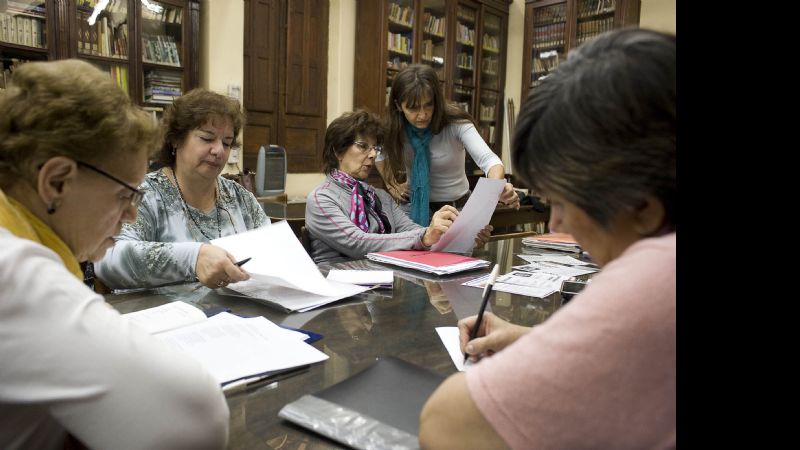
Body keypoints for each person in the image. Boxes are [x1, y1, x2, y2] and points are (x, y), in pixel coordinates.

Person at [419, 29, 676, 449]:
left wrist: (531, 360)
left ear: (642, 206)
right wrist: (534, 342)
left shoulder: (656, 273)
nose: (556, 220)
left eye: (561, 200)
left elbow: (446, 423)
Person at [0, 59, 229, 449]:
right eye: (125, 194)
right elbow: (198, 419)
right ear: (56, 181)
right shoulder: (15, 273)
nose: (132, 214)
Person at [95, 88, 270, 289]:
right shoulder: (144, 195)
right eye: (207, 138)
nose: (219, 150)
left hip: (239, 315)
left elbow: (270, 250)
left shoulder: (240, 198)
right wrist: (193, 258)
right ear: (176, 139)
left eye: (227, 143)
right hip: (163, 317)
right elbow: (108, 258)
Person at [305, 109, 492, 263]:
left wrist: (463, 237)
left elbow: (413, 231)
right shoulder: (321, 198)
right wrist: (425, 236)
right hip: (338, 292)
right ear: (338, 150)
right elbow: (357, 242)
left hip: (382, 286)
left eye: (375, 148)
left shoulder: (379, 196)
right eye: (363, 146)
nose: (372, 155)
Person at [378, 63, 520, 226]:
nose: (423, 114)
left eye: (428, 104)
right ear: (398, 105)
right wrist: (392, 185)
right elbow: (379, 153)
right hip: (411, 210)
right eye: (413, 108)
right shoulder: (395, 128)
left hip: (456, 211)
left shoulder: (457, 124)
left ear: (436, 101)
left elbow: (490, 161)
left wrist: (495, 189)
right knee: (410, 252)